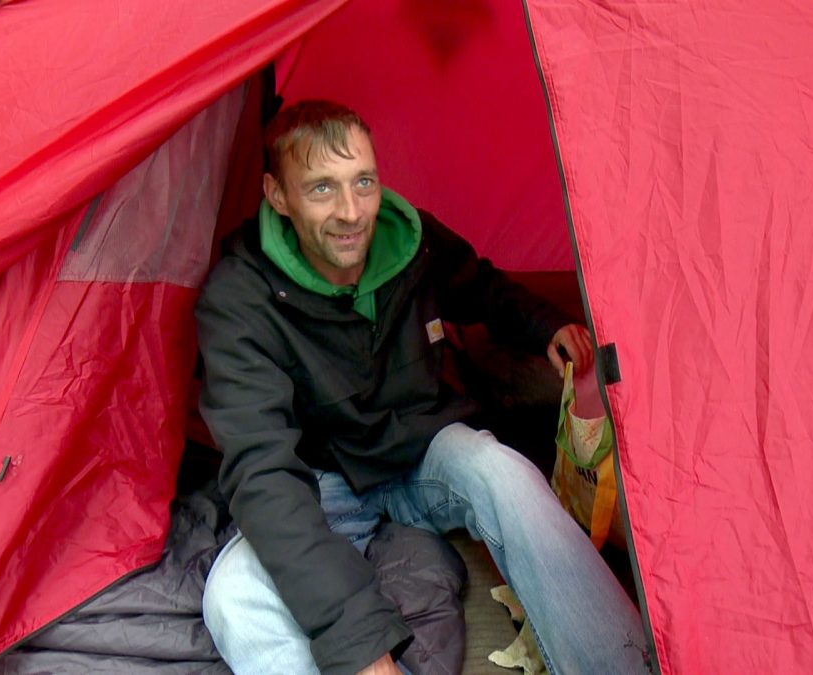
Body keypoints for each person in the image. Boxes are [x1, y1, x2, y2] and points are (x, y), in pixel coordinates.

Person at [196, 99, 647, 675]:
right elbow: (263, 474)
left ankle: (622, 668)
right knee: (231, 593)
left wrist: (546, 326)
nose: (351, 212)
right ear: (278, 195)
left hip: (422, 451)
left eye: (363, 182)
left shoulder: (410, 241)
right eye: (321, 188)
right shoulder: (239, 298)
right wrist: (359, 643)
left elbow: (481, 287)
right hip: (323, 482)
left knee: (502, 470)